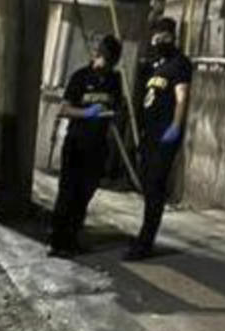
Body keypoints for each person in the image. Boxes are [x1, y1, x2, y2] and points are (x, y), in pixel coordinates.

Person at [49, 34, 123, 258]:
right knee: (67, 192)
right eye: (104, 58)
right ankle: (57, 241)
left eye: (110, 61)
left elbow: (117, 109)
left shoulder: (113, 80)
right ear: (97, 55)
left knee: (84, 195)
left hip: (98, 146)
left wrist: (110, 115)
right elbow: (64, 110)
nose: (105, 64)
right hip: (76, 143)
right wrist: (86, 113)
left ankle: (72, 239)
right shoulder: (80, 77)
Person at [125, 17, 193, 261]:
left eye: (164, 35)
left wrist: (175, 126)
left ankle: (145, 242)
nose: (159, 40)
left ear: (172, 36)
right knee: (147, 185)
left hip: (165, 135)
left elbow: (181, 97)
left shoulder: (179, 64)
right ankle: (144, 235)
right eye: (156, 35)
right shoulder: (156, 65)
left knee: (155, 186)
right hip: (149, 134)